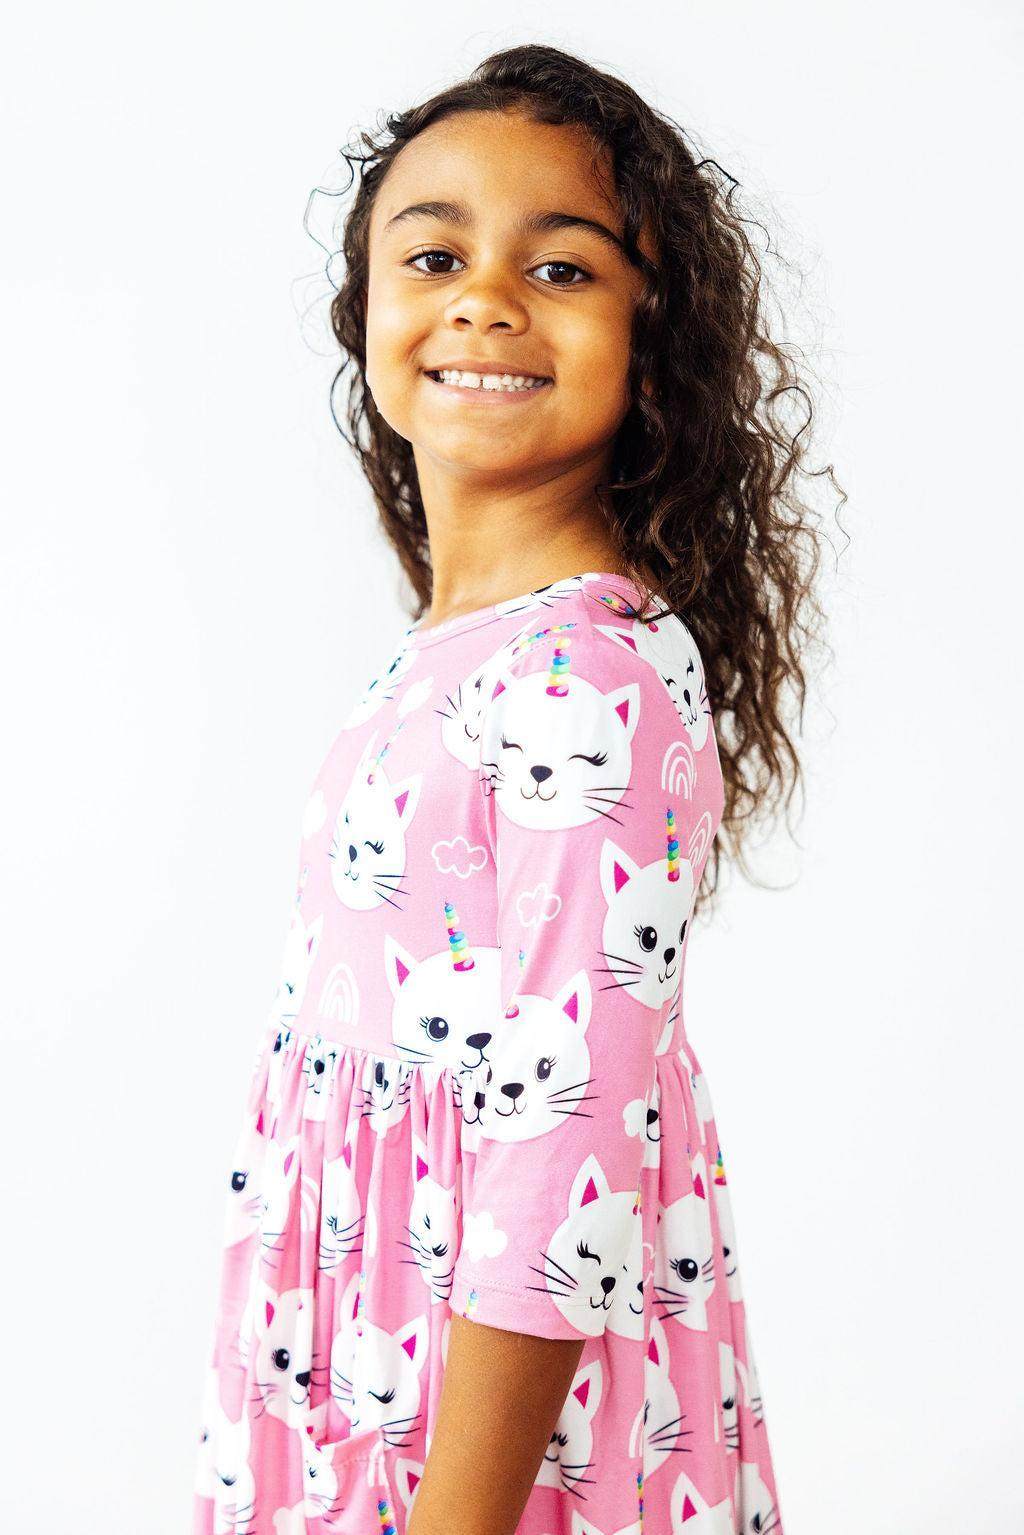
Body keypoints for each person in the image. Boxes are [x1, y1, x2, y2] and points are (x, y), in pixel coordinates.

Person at [193, 41, 836, 1535]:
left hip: (484, 1449)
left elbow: (566, 1156)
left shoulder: (587, 678)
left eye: (561, 268)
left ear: (653, 341)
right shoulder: (459, 654)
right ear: (367, 312)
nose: (485, 297)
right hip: (366, 1374)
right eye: (435, 255)